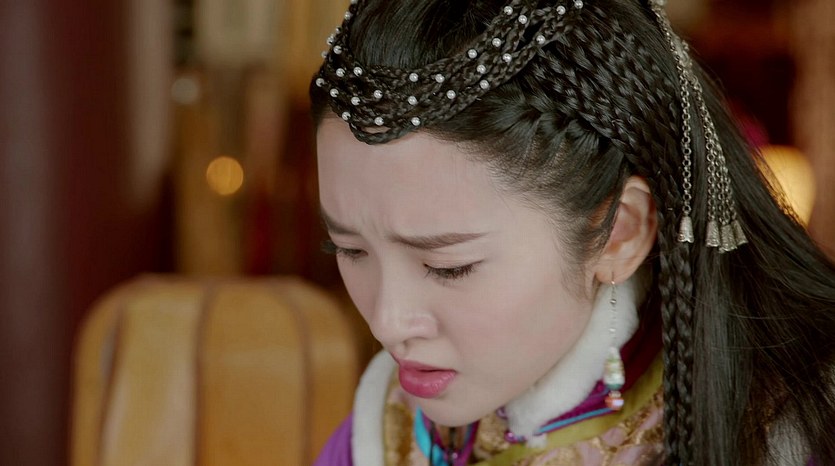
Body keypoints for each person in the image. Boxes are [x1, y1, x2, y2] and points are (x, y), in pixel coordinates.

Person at [308, 0, 835, 464]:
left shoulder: (788, 433)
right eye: (349, 249)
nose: (387, 322)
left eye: (448, 267)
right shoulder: (383, 433)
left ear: (620, 233)